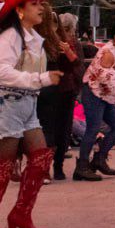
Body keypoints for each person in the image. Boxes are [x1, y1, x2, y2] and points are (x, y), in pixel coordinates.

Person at [0, 0, 63, 228]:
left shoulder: (33, 38)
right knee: (3, 168)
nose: (41, 7)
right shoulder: (10, 37)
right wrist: (41, 78)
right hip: (7, 105)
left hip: (27, 106)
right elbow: (1, 71)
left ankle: (21, 214)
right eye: (34, 3)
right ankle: (19, 215)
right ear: (19, 10)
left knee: (40, 160)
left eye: (41, 2)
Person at [75, 20, 115, 181]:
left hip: (106, 96)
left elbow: (114, 76)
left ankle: (99, 159)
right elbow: (106, 78)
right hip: (94, 93)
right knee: (93, 129)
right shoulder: (108, 53)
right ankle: (82, 166)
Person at [35, 11, 82, 180]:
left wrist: (68, 52)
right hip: (50, 91)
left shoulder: (62, 42)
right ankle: (49, 168)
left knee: (60, 131)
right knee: (52, 131)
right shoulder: (38, 42)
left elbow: (75, 65)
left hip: (61, 91)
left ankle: (56, 167)